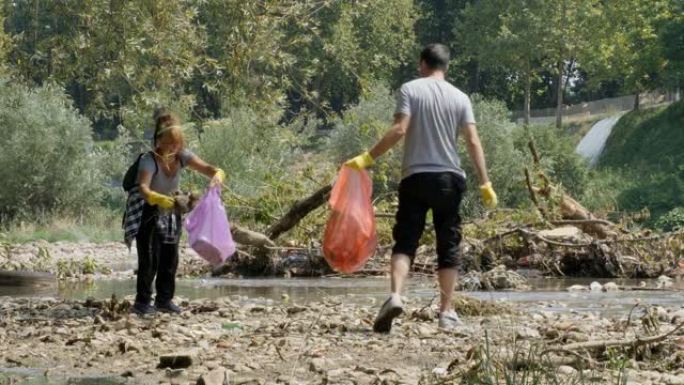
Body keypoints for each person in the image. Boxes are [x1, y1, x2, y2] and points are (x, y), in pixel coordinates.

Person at [345, 44, 498, 332]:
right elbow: (473, 141)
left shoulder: (410, 89)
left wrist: (368, 157)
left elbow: (400, 129)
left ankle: (395, 296)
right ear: (446, 67)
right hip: (449, 180)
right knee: (448, 244)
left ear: (422, 64)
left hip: (415, 177)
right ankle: (446, 311)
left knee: (406, 240)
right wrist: (485, 182)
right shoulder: (460, 97)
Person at [131, 108, 225, 315]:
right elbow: (144, 188)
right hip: (149, 211)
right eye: (170, 143)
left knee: (170, 257)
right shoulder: (149, 160)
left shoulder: (182, 156)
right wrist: (158, 198)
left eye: (177, 143)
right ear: (159, 142)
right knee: (149, 258)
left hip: (172, 211)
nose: (174, 147)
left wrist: (218, 175)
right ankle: (142, 303)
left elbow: (211, 169)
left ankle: (164, 300)